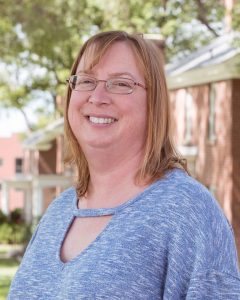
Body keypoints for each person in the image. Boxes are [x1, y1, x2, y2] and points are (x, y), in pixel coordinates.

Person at [8, 31, 240, 299]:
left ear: (153, 103)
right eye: (85, 81)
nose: (97, 96)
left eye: (120, 84)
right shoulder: (59, 212)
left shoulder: (186, 210)